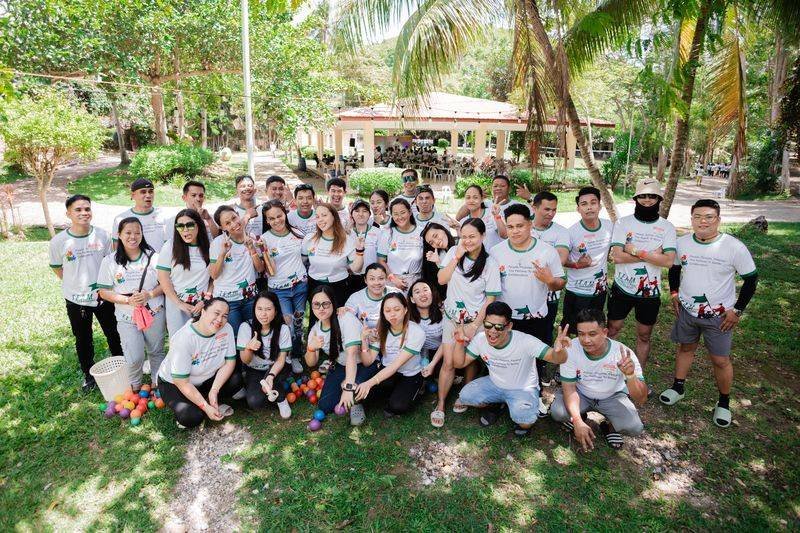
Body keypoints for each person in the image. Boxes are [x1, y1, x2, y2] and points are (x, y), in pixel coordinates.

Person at [659, 199, 758, 428]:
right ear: (692, 219)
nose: (703, 221)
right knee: (686, 348)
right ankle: (678, 387)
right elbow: (675, 269)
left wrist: (737, 310)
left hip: (719, 316)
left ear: (718, 220)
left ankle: (723, 402)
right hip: (687, 311)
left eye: (709, 217)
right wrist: (674, 293)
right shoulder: (682, 243)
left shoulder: (733, 247)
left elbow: (751, 280)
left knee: (720, 360)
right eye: (697, 217)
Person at [490, 203, 566, 416]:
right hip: (505, 319)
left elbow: (560, 282)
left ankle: (534, 394)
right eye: (510, 226)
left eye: (520, 226)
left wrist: (550, 280)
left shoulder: (546, 251)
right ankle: (501, 397)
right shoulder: (496, 252)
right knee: (505, 358)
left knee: (535, 359)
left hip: (536, 317)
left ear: (530, 225)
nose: (515, 231)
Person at [451, 301, 569, 436]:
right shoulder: (480, 339)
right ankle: (499, 403)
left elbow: (557, 358)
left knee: (525, 421)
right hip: (494, 383)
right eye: (488, 325)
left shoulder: (525, 341)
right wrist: (459, 342)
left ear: (509, 326)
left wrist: (560, 350)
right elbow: (459, 364)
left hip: (523, 389)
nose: (492, 331)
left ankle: (512, 406)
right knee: (465, 396)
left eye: (499, 327)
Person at [431, 218, 502, 427]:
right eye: (464, 237)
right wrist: (457, 256)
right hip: (452, 318)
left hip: (474, 321)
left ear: (483, 236)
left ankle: (465, 394)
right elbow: (441, 279)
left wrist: (474, 326)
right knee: (448, 362)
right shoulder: (455, 252)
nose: (467, 241)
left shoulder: (490, 264)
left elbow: (490, 299)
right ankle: (441, 403)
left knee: (469, 361)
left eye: (472, 236)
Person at [49, 194, 122, 392]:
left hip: (104, 296)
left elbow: (110, 264)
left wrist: (104, 288)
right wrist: (75, 285)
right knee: (83, 338)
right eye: (78, 209)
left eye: (87, 209)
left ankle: (122, 367)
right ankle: (89, 375)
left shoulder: (102, 235)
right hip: (76, 300)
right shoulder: (58, 241)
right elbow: (57, 268)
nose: (84, 213)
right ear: (68, 213)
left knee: (114, 333)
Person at [550, 308, 647, 450]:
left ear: (605, 332)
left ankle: (609, 426)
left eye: (592, 334)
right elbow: (569, 388)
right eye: (581, 334)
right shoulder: (571, 348)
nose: (586, 340)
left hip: (612, 397)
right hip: (581, 393)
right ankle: (580, 416)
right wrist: (577, 421)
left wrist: (631, 375)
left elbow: (642, 398)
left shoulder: (623, 354)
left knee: (634, 427)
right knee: (558, 412)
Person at [607, 178, 677, 373]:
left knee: (644, 335)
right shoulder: (623, 223)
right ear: (636, 198)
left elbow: (668, 261)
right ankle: (607, 371)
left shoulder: (667, 227)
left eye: (652, 196)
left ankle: (638, 376)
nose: (647, 200)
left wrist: (635, 251)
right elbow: (617, 257)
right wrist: (654, 255)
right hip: (622, 288)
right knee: (612, 330)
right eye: (643, 196)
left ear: (659, 199)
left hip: (649, 292)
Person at [97, 217, 166, 391]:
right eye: (128, 232)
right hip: (127, 316)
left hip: (154, 312)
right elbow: (103, 292)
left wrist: (149, 294)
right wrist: (128, 300)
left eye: (137, 232)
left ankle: (158, 384)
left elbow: (165, 284)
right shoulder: (110, 261)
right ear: (119, 235)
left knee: (156, 351)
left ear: (142, 234)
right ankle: (134, 386)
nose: (133, 237)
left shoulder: (154, 258)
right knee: (134, 356)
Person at [158, 297, 243, 429]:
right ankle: (202, 403)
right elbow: (182, 382)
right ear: (203, 311)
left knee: (237, 380)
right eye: (216, 313)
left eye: (225, 316)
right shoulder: (184, 339)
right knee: (192, 417)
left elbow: (229, 363)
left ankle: (208, 397)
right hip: (175, 383)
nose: (220, 319)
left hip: (205, 379)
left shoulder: (227, 329)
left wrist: (214, 390)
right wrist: (205, 407)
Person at [306, 286, 379, 425]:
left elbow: (352, 355)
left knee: (356, 390)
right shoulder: (315, 330)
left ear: (333, 303)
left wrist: (348, 387)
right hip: (341, 365)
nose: (321, 308)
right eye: (316, 304)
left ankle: (357, 401)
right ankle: (345, 385)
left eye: (325, 303)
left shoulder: (345, 318)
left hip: (364, 363)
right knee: (325, 405)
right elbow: (311, 363)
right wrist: (311, 348)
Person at [355, 292, 426, 417]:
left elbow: (396, 365)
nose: (392, 314)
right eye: (387, 311)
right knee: (361, 395)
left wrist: (370, 383)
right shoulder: (381, 330)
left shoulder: (416, 332)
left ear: (405, 310)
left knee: (397, 406)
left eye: (397, 309)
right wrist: (364, 340)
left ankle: (418, 386)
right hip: (387, 371)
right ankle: (392, 392)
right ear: (383, 313)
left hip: (409, 374)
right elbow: (368, 361)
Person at [259, 199, 308, 373]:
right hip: (279, 290)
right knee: (288, 325)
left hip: (300, 286)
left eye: (279, 216)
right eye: (271, 218)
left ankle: (297, 354)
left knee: (299, 323)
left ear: (285, 214)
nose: (276, 220)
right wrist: (263, 251)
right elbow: (266, 269)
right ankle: (288, 355)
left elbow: (305, 256)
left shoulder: (297, 233)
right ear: (267, 221)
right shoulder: (264, 239)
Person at [562, 186, 613, 333]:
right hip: (577, 291)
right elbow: (561, 261)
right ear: (578, 209)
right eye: (584, 204)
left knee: (593, 330)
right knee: (569, 331)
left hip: (599, 291)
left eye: (593, 203)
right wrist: (577, 265)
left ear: (600, 206)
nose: (589, 207)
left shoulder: (609, 227)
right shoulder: (571, 233)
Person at [302, 202, 364, 320]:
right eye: (317, 216)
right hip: (315, 285)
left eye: (324, 215)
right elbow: (302, 262)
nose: (320, 220)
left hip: (339, 286)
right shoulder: (309, 239)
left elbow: (356, 268)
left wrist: (360, 251)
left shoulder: (347, 240)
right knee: (317, 321)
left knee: (338, 321)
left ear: (334, 216)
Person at [210, 206, 265, 336]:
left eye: (234, 218)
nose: (234, 224)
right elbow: (214, 275)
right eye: (228, 223)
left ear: (238, 215)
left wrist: (252, 250)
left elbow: (260, 269)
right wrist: (222, 254)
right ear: (222, 228)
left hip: (250, 297)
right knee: (235, 337)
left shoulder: (251, 237)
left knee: (254, 334)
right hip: (228, 301)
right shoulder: (218, 243)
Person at [237, 292, 293, 417]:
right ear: (254, 309)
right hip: (255, 369)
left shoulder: (283, 329)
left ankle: (281, 399)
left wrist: (271, 376)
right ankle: (274, 388)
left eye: (268, 309)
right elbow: (245, 361)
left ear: (276, 311)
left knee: (273, 380)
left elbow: (281, 359)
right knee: (254, 402)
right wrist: (249, 348)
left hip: (277, 367)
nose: (263, 314)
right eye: (259, 309)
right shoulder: (246, 327)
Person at [157, 209, 212, 336]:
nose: (185, 230)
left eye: (190, 225)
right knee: (179, 341)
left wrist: (205, 300)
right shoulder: (170, 246)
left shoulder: (209, 246)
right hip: (177, 305)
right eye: (180, 226)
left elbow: (213, 278)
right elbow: (163, 278)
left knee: (202, 341)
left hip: (202, 305)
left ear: (199, 225)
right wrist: (179, 303)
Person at [528, 191, 570, 345]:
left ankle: (544, 358)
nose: (551, 214)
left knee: (544, 333)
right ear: (534, 208)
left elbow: (561, 259)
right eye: (547, 209)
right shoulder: (523, 227)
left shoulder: (561, 232)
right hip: (525, 290)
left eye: (554, 210)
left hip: (550, 294)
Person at [377, 198, 424, 292]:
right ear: (392, 215)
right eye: (395, 214)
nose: (400, 217)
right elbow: (381, 260)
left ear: (410, 212)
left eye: (403, 212)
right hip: (393, 282)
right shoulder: (387, 233)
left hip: (416, 282)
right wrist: (393, 279)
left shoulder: (421, 232)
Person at [112, 178, 167, 253]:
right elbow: (117, 248)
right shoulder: (121, 219)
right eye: (143, 192)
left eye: (151, 191)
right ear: (133, 195)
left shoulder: (163, 215)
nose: (148, 195)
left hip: (161, 260)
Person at [408, 279, 444, 379]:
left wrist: (433, 363)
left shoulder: (443, 312)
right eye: (417, 292)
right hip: (416, 352)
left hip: (440, 351)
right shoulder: (408, 316)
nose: (423, 294)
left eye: (425, 290)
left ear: (432, 293)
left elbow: (446, 341)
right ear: (412, 299)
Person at [343, 263, 396, 329]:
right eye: (372, 279)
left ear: (386, 279)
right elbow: (347, 318)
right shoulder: (355, 298)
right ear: (365, 280)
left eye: (381, 278)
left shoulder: (395, 294)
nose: (377, 283)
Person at [458, 184, 507, 251]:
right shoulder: (463, 222)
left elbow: (504, 235)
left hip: (496, 256)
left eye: (475, 197)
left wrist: (496, 216)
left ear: (482, 199)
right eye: (468, 197)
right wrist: (457, 229)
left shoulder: (492, 212)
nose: (471, 201)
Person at [347, 199, 381, 295]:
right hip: (352, 277)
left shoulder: (378, 232)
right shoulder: (347, 233)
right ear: (352, 214)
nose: (361, 214)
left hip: (373, 278)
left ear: (369, 214)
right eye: (357, 211)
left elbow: (381, 258)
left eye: (364, 211)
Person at [456, 174, 520, 221]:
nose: (498, 188)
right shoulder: (484, 204)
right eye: (495, 186)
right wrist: (476, 197)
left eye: (502, 186)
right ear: (491, 188)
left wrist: (526, 198)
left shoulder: (516, 205)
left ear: (509, 189)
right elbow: (458, 217)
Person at [421, 222, 455, 301]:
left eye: (435, 236)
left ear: (443, 229)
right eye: (431, 243)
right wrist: (438, 263)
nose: (436, 242)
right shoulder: (438, 256)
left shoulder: (460, 245)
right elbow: (444, 280)